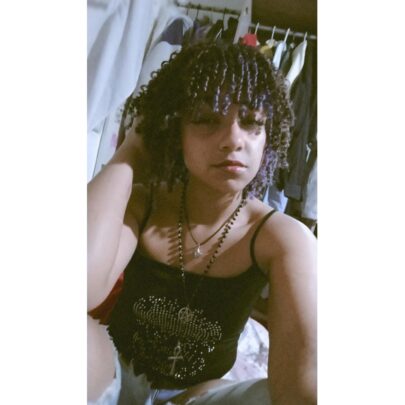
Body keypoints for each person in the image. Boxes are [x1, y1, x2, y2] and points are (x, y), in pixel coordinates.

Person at [87, 41, 317, 405]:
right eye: (207, 119)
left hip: (198, 397)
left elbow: (302, 384)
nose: (233, 140)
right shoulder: (145, 202)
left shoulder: (282, 237)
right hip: (115, 376)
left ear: (268, 137)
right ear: (175, 130)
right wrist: (132, 150)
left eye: (252, 122)